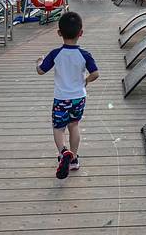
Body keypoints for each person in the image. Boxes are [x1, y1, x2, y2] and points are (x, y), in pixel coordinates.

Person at [36, 12, 99, 179]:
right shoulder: (85, 55)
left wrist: (38, 62)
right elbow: (95, 74)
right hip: (79, 98)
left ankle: (63, 152)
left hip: (61, 99)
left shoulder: (55, 54)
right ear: (81, 33)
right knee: (74, 125)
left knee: (58, 128)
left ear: (59, 33)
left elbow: (41, 71)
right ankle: (74, 159)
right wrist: (86, 81)